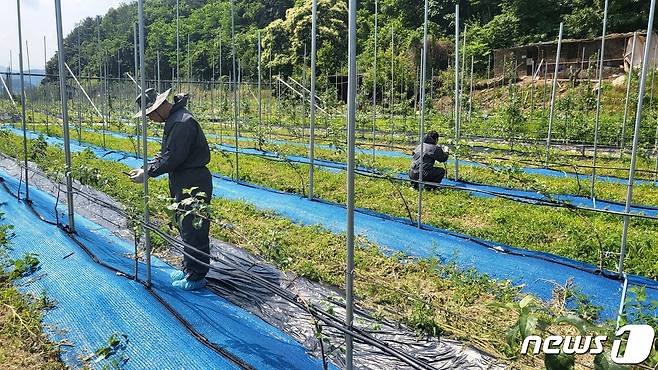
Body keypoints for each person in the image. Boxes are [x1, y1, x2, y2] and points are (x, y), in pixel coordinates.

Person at [129, 88, 212, 291]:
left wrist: (147, 172)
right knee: (185, 224)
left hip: (193, 180)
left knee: (194, 227)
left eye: (149, 116)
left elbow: (173, 157)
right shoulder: (174, 120)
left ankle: (196, 276)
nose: (149, 120)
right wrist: (146, 167)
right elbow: (166, 154)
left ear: (158, 108)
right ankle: (188, 268)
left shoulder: (182, 123)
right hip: (183, 177)